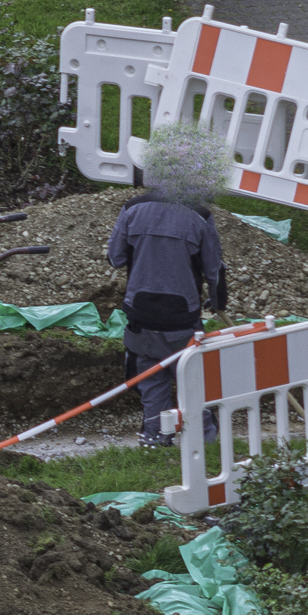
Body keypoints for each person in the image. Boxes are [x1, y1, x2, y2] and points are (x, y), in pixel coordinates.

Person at [107, 125, 230, 447]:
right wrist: (218, 302)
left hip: (141, 314)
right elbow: (214, 269)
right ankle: (204, 441)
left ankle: (154, 437)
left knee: (150, 377)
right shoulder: (199, 216)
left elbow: (115, 258)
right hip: (182, 318)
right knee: (192, 380)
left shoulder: (132, 209)